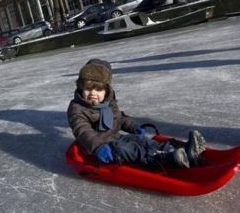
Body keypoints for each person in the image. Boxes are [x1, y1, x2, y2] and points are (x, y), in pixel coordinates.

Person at [67, 59, 206, 169]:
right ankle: (166, 158)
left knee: (142, 140)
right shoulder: (77, 108)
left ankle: (181, 151)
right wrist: (98, 147)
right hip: (100, 147)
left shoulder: (109, 102)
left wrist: (134, 127)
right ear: (81, 88)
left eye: (98, 90)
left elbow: (119, 118)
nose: (92, 93)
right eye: (88, 89)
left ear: (106, 91)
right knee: (128, 149)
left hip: (116, 137)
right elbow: (83, 131)